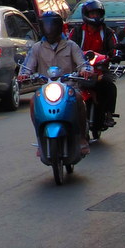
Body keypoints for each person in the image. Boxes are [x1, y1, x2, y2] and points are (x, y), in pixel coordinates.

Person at [19, 12, 90, 153]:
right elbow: (27, 67)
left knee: (79, 99)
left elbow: (83, 63)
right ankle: (40, 139)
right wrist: (23, 75)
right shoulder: (37, 48)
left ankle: (82, 137)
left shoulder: (71, 46)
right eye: (46, 25)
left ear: (58, 27)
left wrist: (85, 70)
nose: (49, 29)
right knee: (33, 103)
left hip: (68, 87)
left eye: (52, 25)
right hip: (45, 89)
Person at [67, 0, 120, 127]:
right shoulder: (77, 32)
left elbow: (115, 47)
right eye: (92, 14)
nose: (95, 16)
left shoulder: (107, 32)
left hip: (99, 70)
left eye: (97, 13)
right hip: (79, 70)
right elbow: (68, 47)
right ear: (86, 14)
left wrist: (115, 55)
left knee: (110, 87)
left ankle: (108, 114)